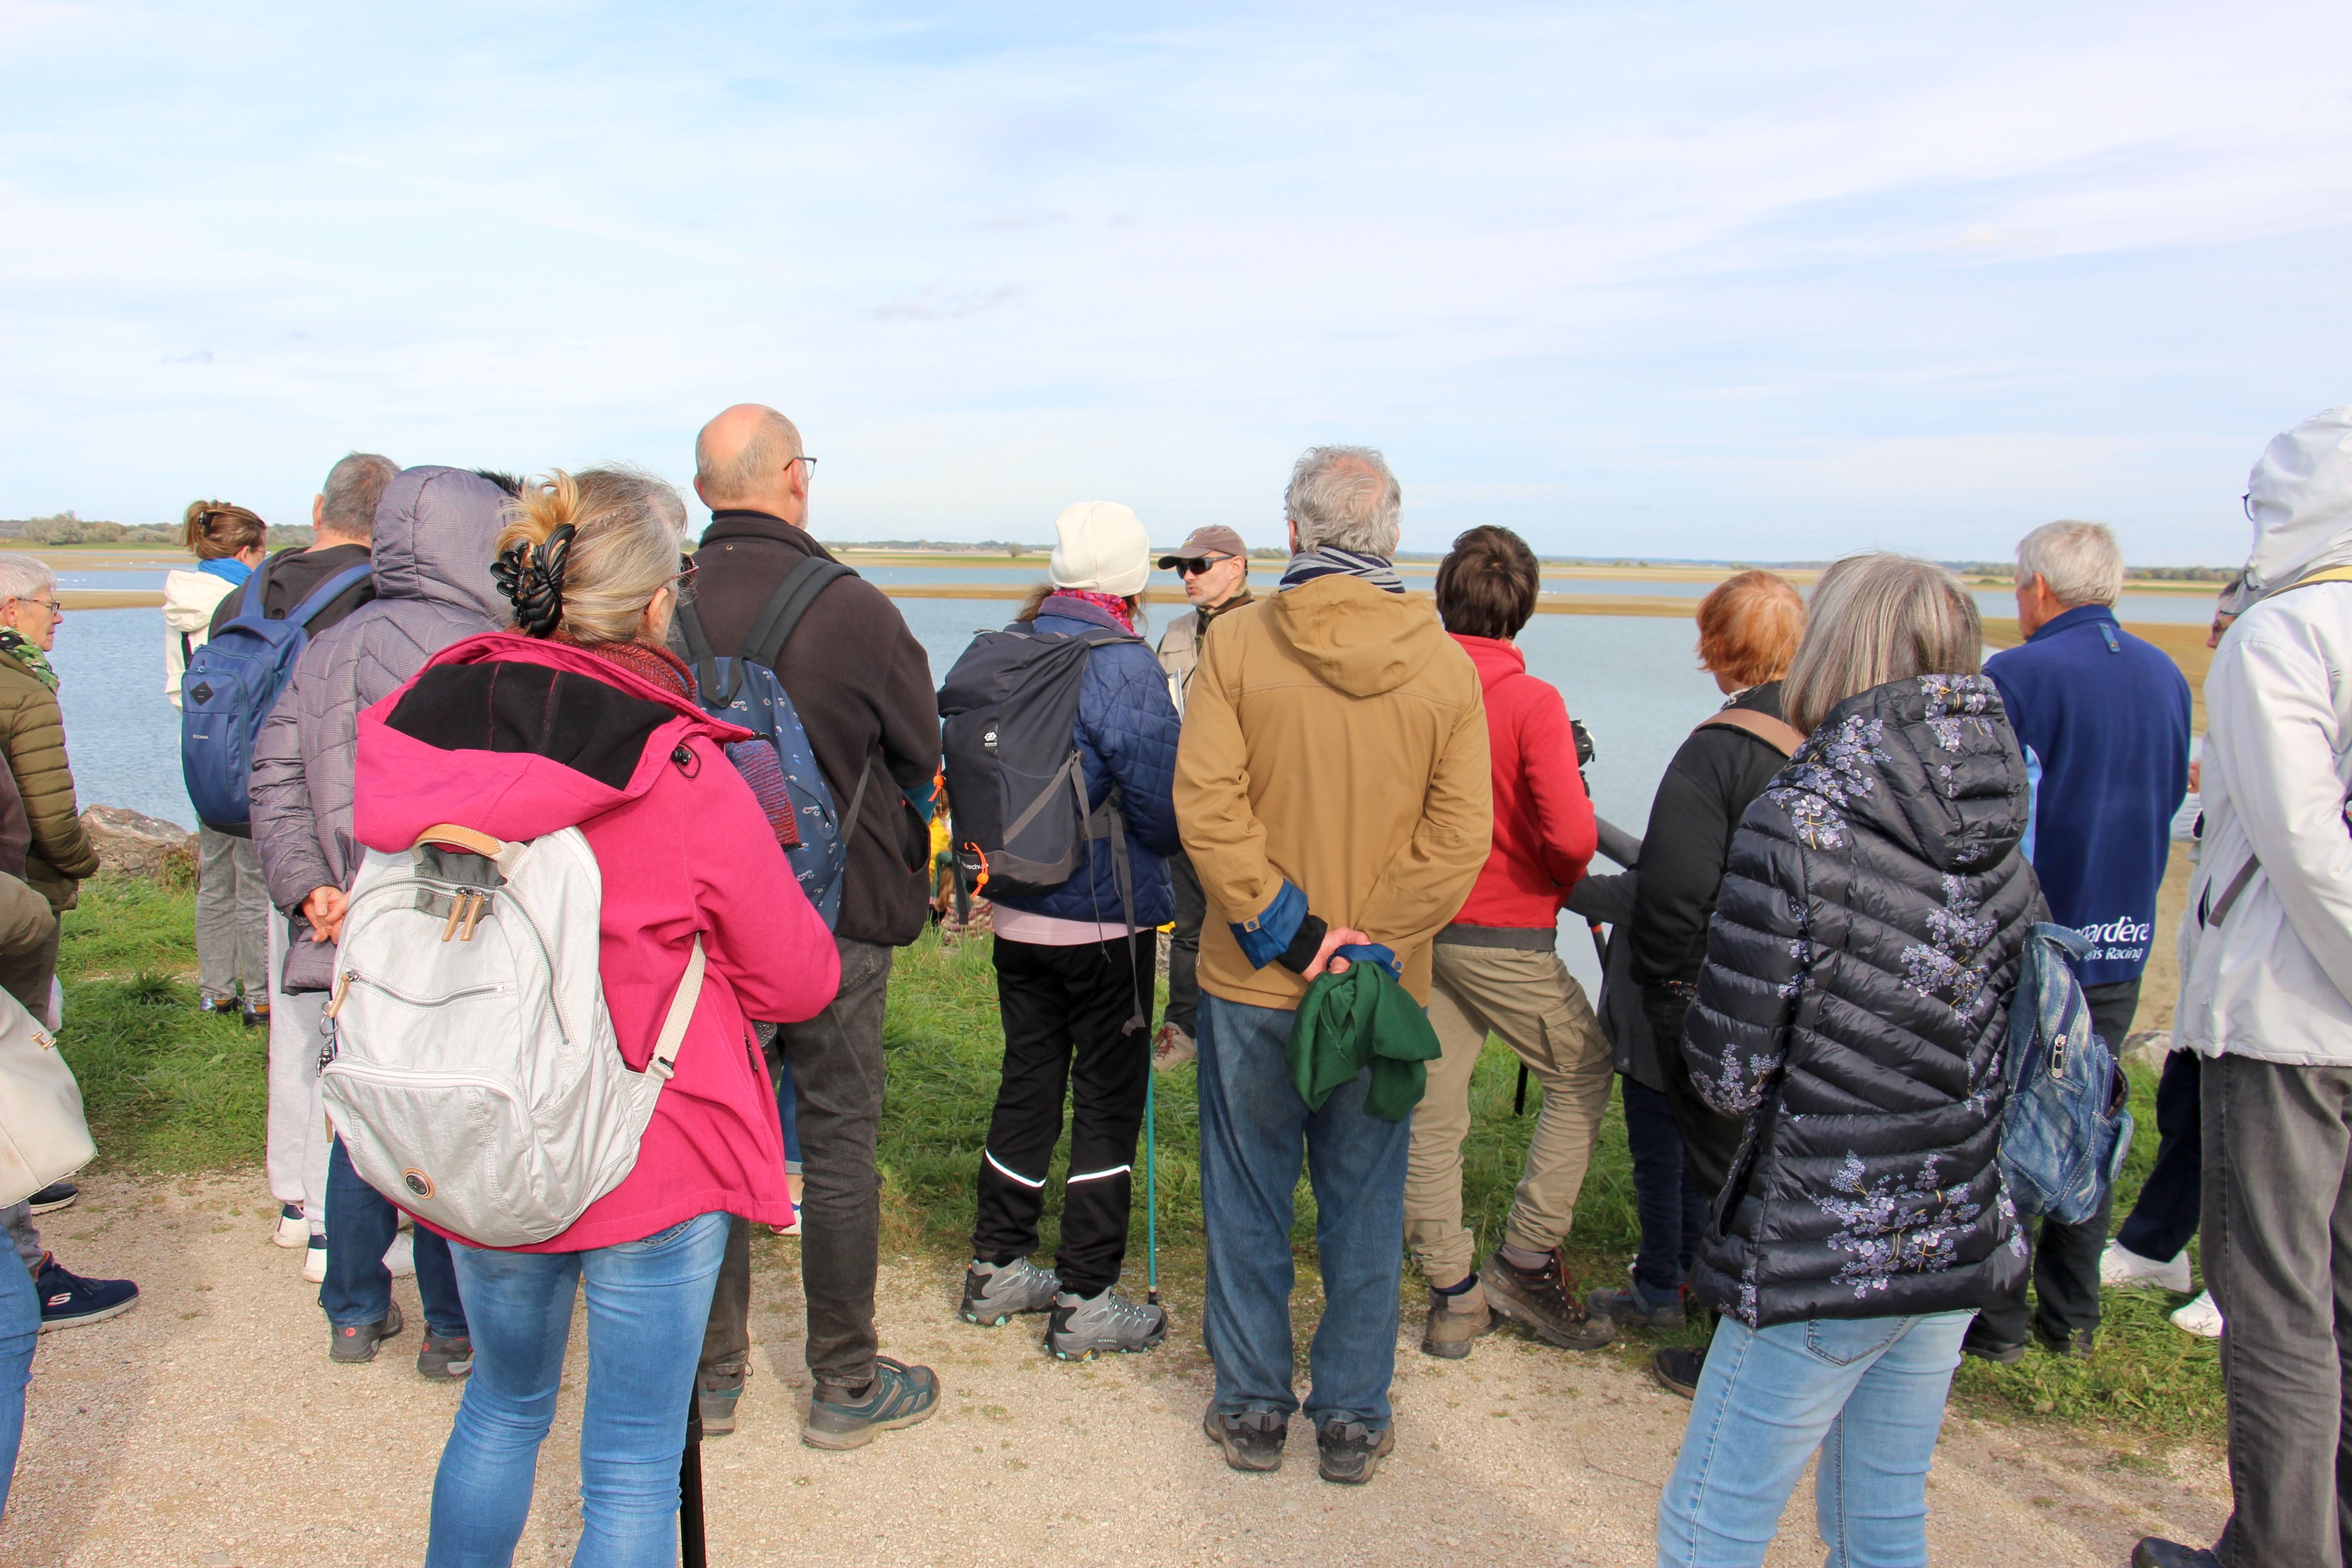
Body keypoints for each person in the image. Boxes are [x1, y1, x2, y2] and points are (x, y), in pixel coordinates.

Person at [351, 466, 840, 1564]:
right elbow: (799, 977)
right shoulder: (678, 760)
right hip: (646, 1143)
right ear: (660, 600)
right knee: (626, 1461)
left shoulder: (429, 721)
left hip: (485, 1112)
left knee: (502, 1407)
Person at [1653, 553, 2038, 1568]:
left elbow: (1730, 1071)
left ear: (1839, 651)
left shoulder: (1806, 814)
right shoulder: (2001, 808)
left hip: (1825, 1230)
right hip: (1957, 1216)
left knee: (1711, 1522)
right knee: (1880, 1519)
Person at [1175, 445, 1490, 1485]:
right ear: (1392, 537)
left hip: (1254, 975)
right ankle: (1351, 1412)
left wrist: (1297, 934)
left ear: (1294, 534)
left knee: (1249, 1192)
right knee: (1362, 1196)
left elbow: (1206, 809)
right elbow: (1459, 838)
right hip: (1379, 987)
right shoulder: (1444, 662)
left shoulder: (1236, 644)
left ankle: (1255, 1402)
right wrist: (1365, 944)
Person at [682, 404, 942, 1446]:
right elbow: (921, 749)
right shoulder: (856, 611)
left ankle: (709, 1379)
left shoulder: (665, 607)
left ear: (705, 492)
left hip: (698, 928)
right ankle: (842, 1379)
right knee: (838, 1137)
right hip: (831, 922)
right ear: (794, 478)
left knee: (708, 1141)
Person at [2137, 407, 2352, 1568]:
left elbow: (2295, 835)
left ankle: (2277, 1552)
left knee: (2272, 1301)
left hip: (2286, 1018)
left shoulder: (2280, 635)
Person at [251, 466, 519, 1377]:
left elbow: (275, 774)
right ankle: (451, 1327)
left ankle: (357, 1310)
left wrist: (307, 888)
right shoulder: (487, 648)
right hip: (446, 923)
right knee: (439, 1119)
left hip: (343, 925)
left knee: (358, 1109)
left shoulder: (329, 642)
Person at [959, 503, 1183, 1358]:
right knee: (1106, 1101)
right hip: (1102, 922)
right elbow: (1162, 811)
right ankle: (1086, 1296)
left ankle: (997, 1266)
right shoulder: (1121, 664)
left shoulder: (1009, 645)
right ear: (1128, 585)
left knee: (1027, 1080)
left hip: (1015, 911)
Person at [1964, 521, 2190, 1364]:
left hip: (2035, 935)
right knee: (2089, 1110)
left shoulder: (2015, 673)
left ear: (2035, 589)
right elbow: (2168, 795)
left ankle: (1997, 1320)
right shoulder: (2164, 674)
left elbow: (1990, 813)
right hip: (2123, 932)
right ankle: (2074, 1313)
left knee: (2010, 1115)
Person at [1406, 524, 1614, 1359]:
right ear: (1522, 608)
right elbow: (1569, 836)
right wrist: (1550, 877)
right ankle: (1524, 1258)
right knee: (1584, 1067)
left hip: (1423, 922)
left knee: (1432, 1106)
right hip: (1505, 926)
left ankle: (1451, 1291)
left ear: (1442, 596)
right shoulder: (1532, 702)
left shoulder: (1411, 687)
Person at [1599, 571, 1805, 1396]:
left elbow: (1673, 889)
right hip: (1792, 986)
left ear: (1715, 648)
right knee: (1755, 1157)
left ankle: (1683, 1303)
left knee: (1678, 1143)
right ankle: (1712, 1290)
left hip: (1705, 986)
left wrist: (1648, 979)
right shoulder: (1825, 733)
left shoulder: (1717, 748)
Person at [234, 451, 399, 1269]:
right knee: (343, 1026)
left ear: (316, 507)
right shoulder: (372, 602)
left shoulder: (253, 587)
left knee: (291, 1023)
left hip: (263, 819)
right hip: (339, 843)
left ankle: (293, 1196)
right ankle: (337, 1218)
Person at [2105, 573, 2254, 1345]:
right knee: (2187, 1104)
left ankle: (2244, 1291)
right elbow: (2193, 819)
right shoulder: (2234, 708)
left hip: (2271, 963)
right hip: (2212, 937)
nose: (2209, 637)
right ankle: (2154, 1245)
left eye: (2224, 621)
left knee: (2258, 1132)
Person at [0, 745, 137, 1336]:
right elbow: (50, 807)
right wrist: (41, 897)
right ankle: (28, 1277)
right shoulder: (20, 680)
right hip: (16, 903)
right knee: (13, 1087)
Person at [1148, 524, 1253, 1072]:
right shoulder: (1173, 633)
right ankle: (1182, 1030)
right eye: (1180, 568)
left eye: (1200, 566)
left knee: (1251, 919)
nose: (1187, 577)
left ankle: (1246, 1035)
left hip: (1253, 811)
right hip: (1186, 806)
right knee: (1188, 927)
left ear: (1237, 566)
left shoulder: (1271, 631)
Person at [165, 501, 273, 1024]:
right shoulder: (247, 600)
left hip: (200, 750)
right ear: (247, 551)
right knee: (253, 876)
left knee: (215, 876)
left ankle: (215, 990)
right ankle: (259, 993)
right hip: (249, 751)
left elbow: (177, 690)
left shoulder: (178, 605)